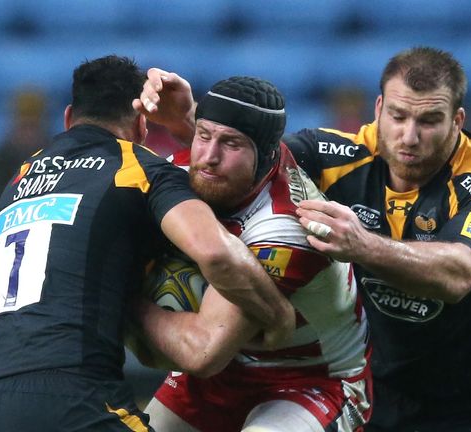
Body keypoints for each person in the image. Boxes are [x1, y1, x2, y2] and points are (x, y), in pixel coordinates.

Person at [137, 46, 471, 432]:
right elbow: (255, 159)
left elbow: (459, 273)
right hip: (372, 385)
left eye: (429, 120)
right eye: (398, 115)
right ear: (378, 109)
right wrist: (188, 120)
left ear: (457, 120)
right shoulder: (341, 154)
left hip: (467, 405)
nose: (409, 136)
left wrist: (362, 244)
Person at [0, 55, 295, 431]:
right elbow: (217, 253)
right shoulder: (138, 167)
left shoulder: (17, 182)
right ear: (141, 123)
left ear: (69, 118)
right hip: (73, 395)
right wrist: (277, 315)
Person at [132, 76, 372, 431]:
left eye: (231, 144)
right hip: (226, 375)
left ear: (265, 157)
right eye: (203, 135)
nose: (209, 158)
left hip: (313, 380)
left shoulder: (287, 228)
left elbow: (204, 351)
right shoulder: (184, 169)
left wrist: (113, 300)